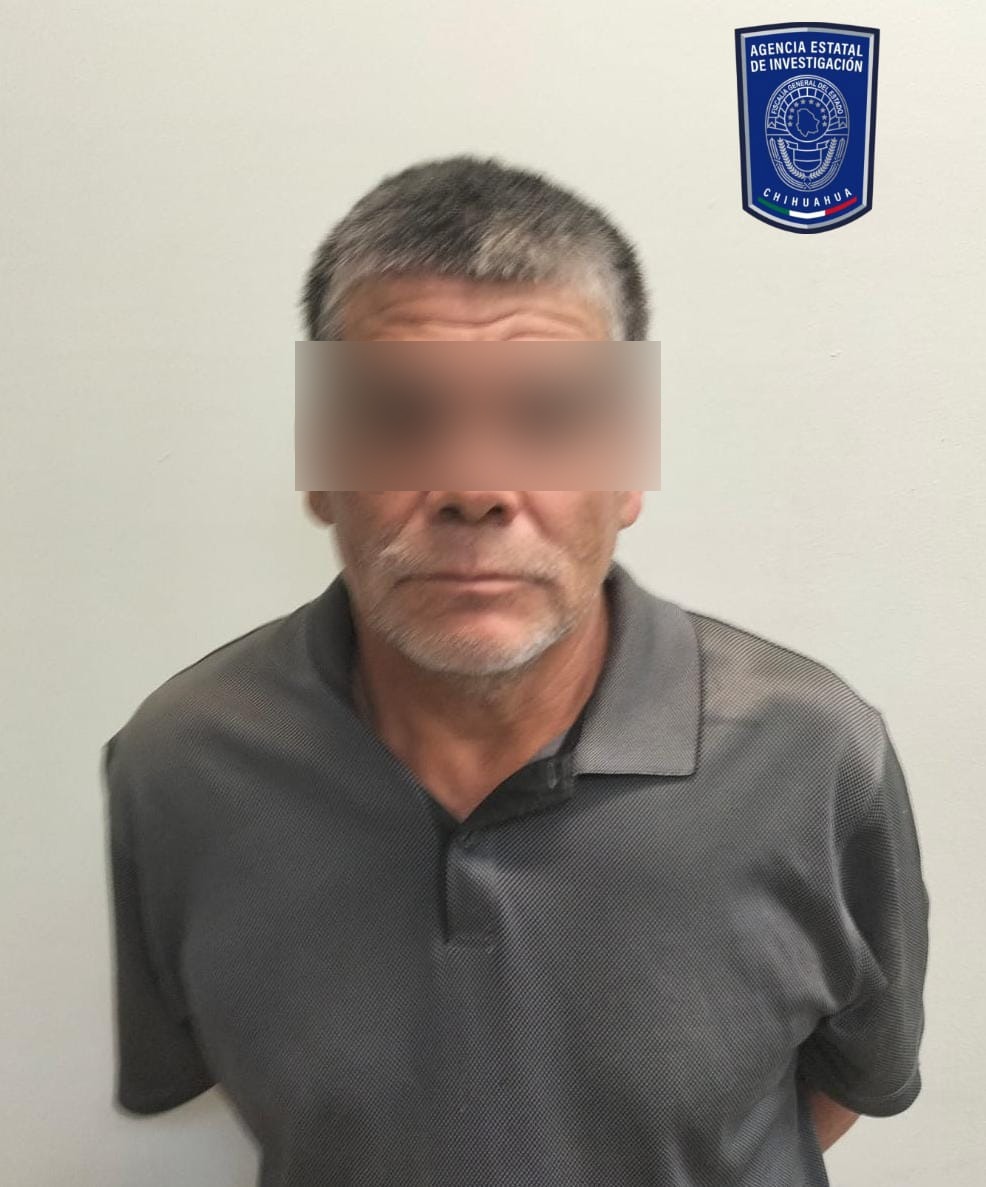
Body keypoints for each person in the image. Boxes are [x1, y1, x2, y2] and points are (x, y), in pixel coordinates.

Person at [101, 154, 929, 1187]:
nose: (475, 484)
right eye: (401, 416)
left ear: (626, 469)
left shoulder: (814, 753)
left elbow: (843, 1088)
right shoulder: (176, 764)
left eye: (544, 417)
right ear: (319, 466)